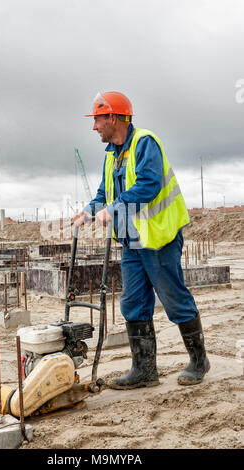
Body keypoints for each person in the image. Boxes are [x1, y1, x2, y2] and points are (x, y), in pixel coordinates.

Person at [73, 91, 210, 390]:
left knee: (174, 300)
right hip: (132, 240)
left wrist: (115, 208)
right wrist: (88, 211)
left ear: (112, 118)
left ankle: (199, 361)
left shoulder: (144, 142)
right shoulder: (111, 155)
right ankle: (144, 370)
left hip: (158, 238)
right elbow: (104, 194)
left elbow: (148, 184)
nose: (94, 127)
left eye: (97, 120)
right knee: (133, 302)